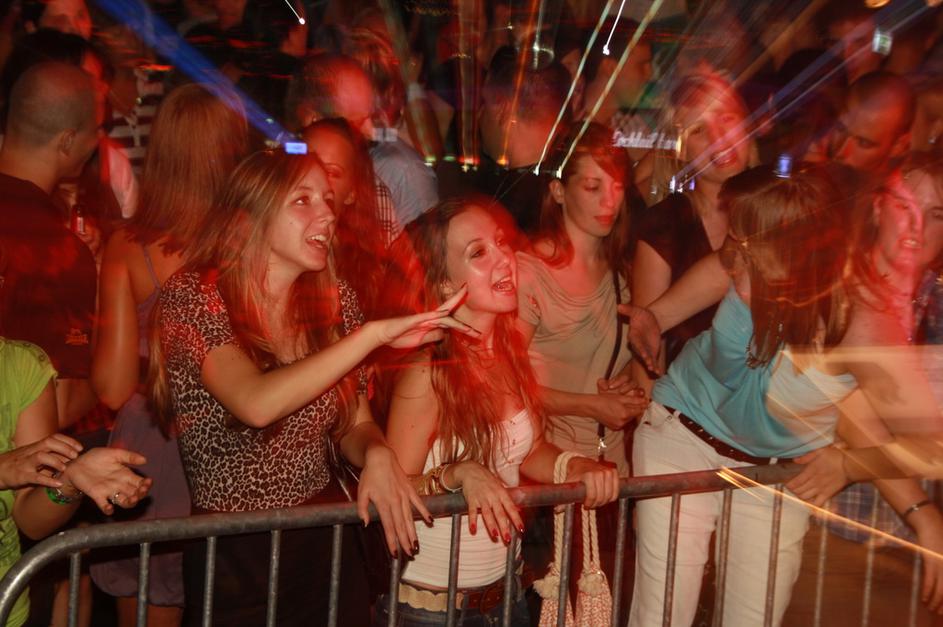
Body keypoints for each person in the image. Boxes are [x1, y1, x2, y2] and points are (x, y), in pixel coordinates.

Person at [149, 149, 477, 626]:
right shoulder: (195, 296)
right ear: (251, 213)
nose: (327, 213)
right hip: (235, 553)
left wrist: (377, 452)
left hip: (324, 539)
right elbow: (256, 403)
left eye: (327, 199)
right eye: (303, 200)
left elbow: (354, 424)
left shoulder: (333, 299)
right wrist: (373, 336)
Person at [377, 197, 619, 626]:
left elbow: (528, 452)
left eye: (501, 243)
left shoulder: (510, 354)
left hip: (506, 595)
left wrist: (573, 464)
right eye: (478, 253)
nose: (504, 259)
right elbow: (396, 491)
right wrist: (458, 473)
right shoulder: (428, 373)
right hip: (431, 609)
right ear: (445, 284)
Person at [88, 83, 249, 627]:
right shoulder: (251, 243)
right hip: (234, 445)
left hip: (153, 450)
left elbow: (112, 388)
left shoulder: (128, 246)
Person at [783, 161, 943, 626]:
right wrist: (923, 513)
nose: (918, 225)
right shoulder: (837, 292)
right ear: (877, 208)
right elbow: (844, 411)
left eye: (936, 213)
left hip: (916, 550)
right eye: (905, 207)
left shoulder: (937, 305)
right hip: (832, 535)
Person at [517, 122, 644, 476]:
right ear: (558, 191)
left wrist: (627, 382)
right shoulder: (528, 272)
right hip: (552, 467)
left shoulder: (625, 270)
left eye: (617, 187)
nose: (609, 202)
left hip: (614, 467)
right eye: (592, 186)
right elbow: (503, 384)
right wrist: (590, 406)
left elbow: (625, 359)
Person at [632, 71, 756, 398]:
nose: (719, 137)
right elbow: (646, 353)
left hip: (764, 410)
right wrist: (652, 419)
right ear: (681, 150)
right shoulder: (665, 225)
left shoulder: (780, 208)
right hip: (689, 410)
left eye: (726, 119)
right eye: (699, 130)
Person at [0, 62, 101, 429]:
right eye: (96, 130)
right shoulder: (58, 252)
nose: (98, 142)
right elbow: (62, 406)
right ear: (68, 141)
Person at [301, 118, 387, 319]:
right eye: (304, 162)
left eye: (331, 171)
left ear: (352, 193)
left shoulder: (354, 283)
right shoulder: (250, 255)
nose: (313, 176)